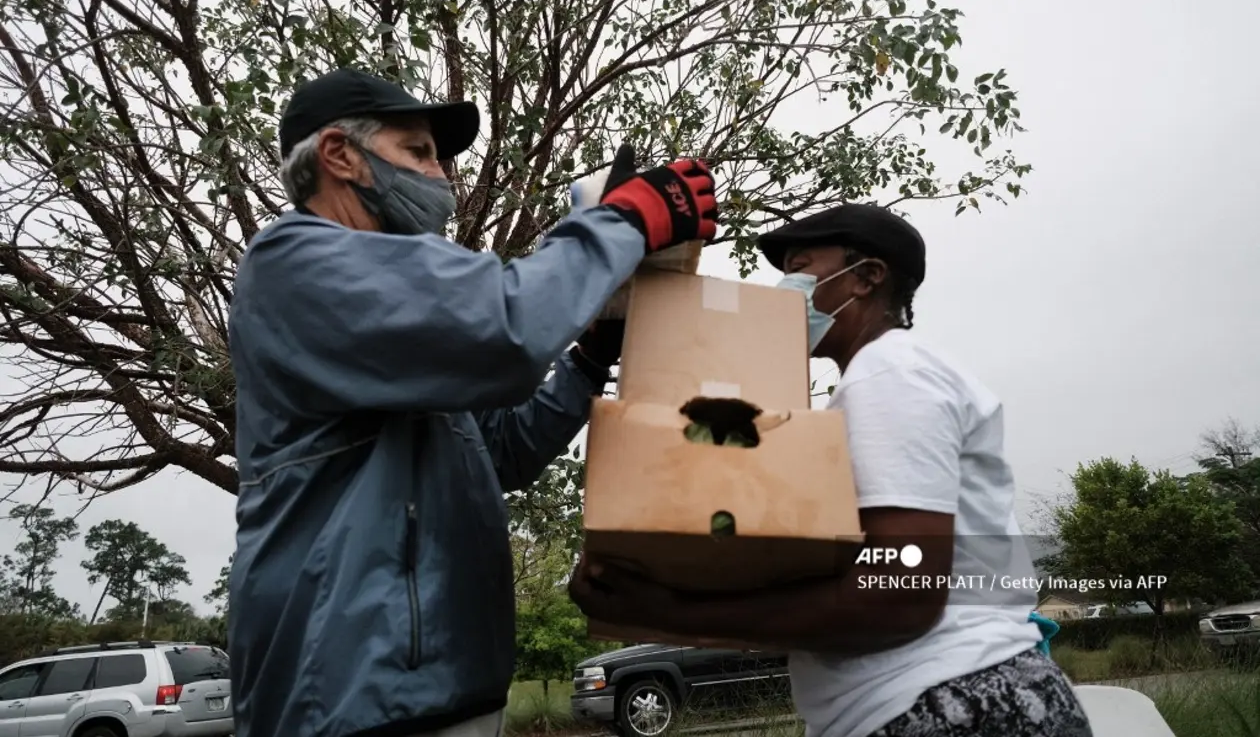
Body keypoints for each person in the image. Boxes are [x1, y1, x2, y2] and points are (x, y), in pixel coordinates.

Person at [226, 67, 718, 737]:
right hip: (349, 696)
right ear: (339, 154)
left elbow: (503, 450)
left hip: (446, 690)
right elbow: (506, 325)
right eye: (419, 151)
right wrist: (627, 218)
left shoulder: (401, 328)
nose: (442, 176)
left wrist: (590, 356)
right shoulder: (295, 262)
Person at [567, 203, 1093, 737]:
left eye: (800, 268)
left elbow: (900, 591)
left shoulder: (889, 374)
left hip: (956, 705)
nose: (785, 289)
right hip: (943, 699)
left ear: (866, 277)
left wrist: (670, 612)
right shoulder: (879, 379)